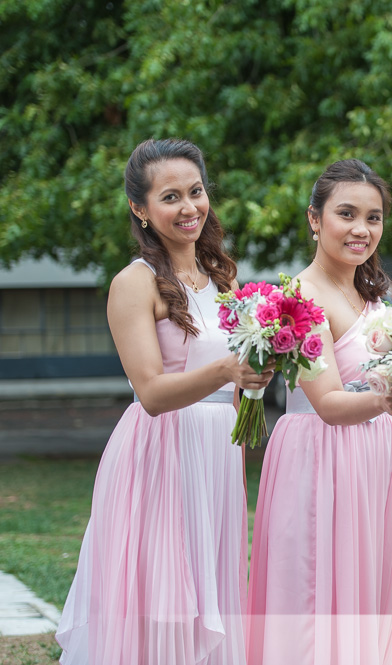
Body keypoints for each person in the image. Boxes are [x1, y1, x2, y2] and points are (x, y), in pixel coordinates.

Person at [56, 138, 272, 665]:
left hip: (218, 453)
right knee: (161, 596)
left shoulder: (224, 276)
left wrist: (256, 377)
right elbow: (151, 393)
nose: (189, 208)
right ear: (140, 208)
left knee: (208, 591)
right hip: (161, 451)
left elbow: (237, 370)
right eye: (170, 197)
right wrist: (225, 368)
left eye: (196, 192)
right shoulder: (133, 282)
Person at [246, 159, 392, 665]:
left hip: (374, 458)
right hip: (323, 458)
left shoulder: (375, 294)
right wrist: (386, 399)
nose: (362, 229)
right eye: (346, 214)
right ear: (314, 220)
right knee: (317, 598)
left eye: (374, 217)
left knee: (366, 590)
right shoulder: (299, 297)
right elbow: (328, 403)